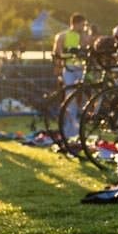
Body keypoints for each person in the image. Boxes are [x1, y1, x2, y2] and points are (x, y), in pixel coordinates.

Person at [52, 13, 91, 141]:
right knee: (70, 97)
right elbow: (57, 53)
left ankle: (79, 127)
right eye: (82, 24)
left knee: (83, 98)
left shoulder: (84, 36)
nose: (83, 27)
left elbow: (87, 49)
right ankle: (69, 128)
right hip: (69, 69)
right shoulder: (62, 36)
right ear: (75, 23)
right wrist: (58, 69)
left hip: (81, 69)